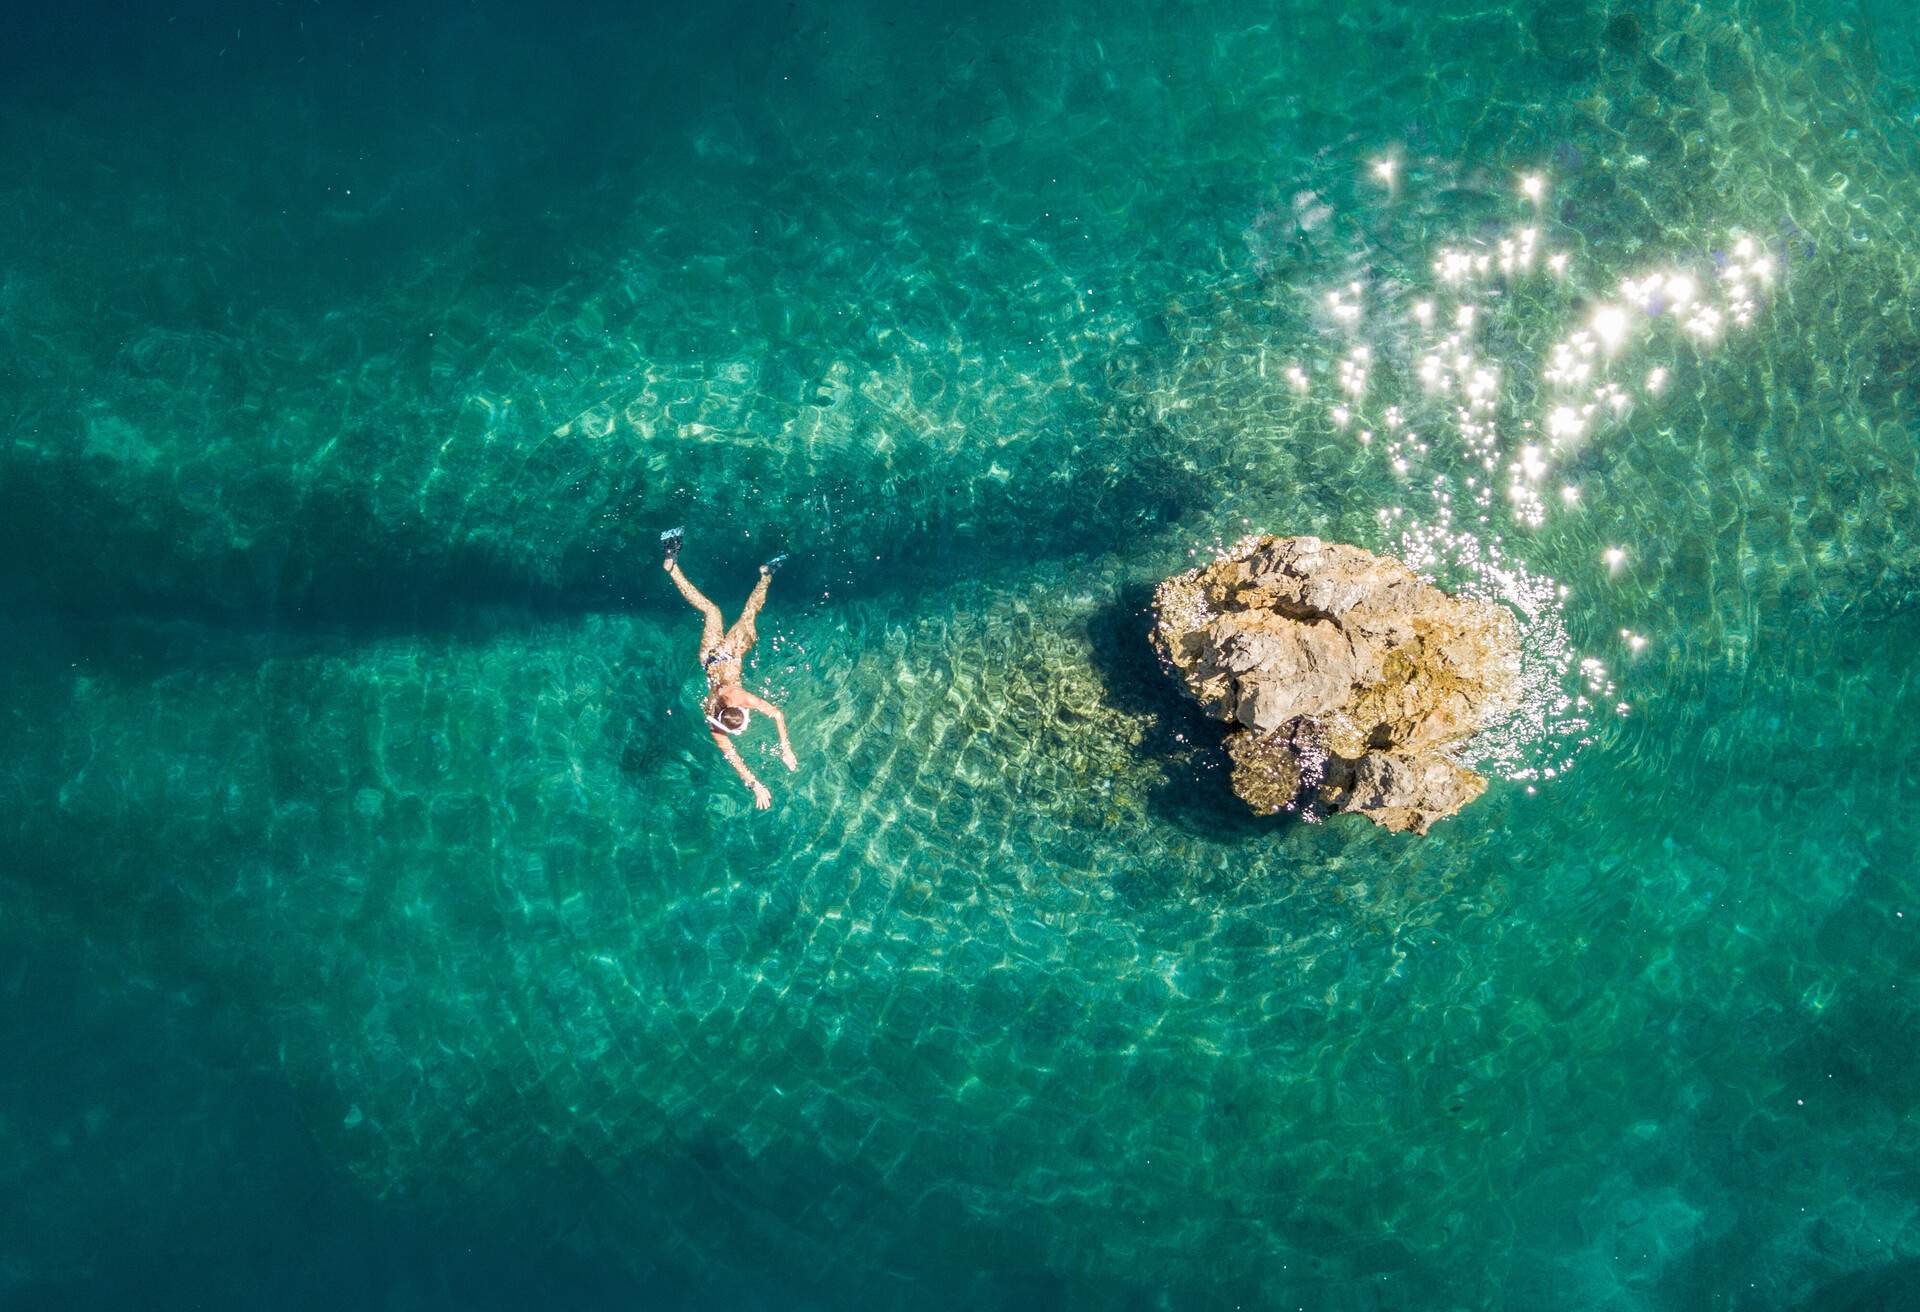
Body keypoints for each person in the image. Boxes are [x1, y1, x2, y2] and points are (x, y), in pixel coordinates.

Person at [662, 533, 798, 809]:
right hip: (710, 659)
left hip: (730, 655)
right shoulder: (714, 721)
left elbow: (776, 714)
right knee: (714, 612)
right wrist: (755, 783)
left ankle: (766, 574)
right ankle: (674, 568)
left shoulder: (739, 697)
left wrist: (786, 749)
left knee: (743, 615)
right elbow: (733, 758)